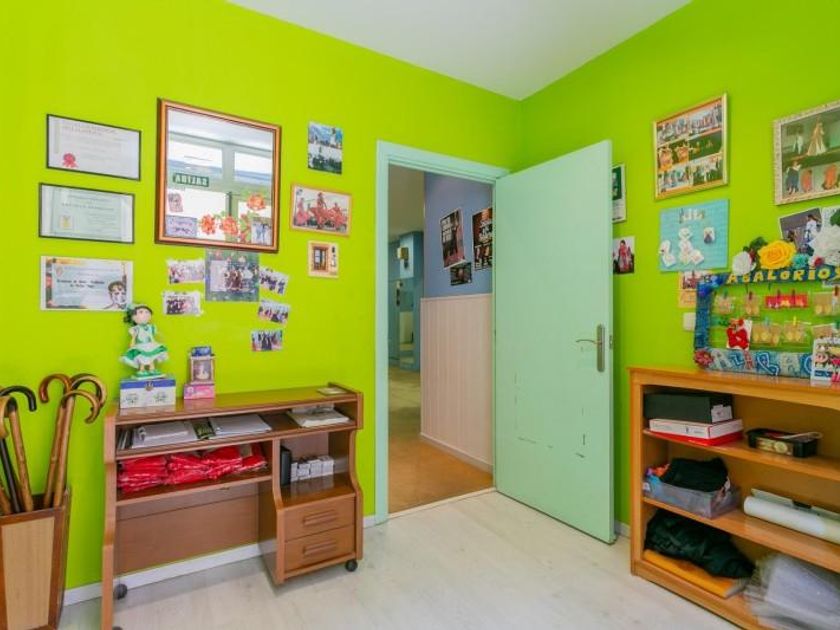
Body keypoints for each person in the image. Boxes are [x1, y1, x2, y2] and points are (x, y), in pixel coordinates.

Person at [121, 303, 168, 379]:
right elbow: (134, 338)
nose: (145, 314)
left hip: (151, 344)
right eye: (141, 312)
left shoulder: (151, 327)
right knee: (142, 357)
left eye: (147, 312)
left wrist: (158, 342)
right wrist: (132, 346)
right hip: (141, 346)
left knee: (152, 356)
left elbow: (152, 337)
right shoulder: (135, 329)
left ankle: (152, 368)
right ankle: (142, 369)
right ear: (133, 317)